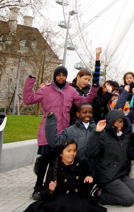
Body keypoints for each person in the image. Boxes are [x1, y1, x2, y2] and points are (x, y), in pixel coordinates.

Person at [23, 66, 96, 200]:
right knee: (45, 160)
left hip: (64, 130)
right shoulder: (46, 89)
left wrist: (94, 89)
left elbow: (83, 101)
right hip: (47, 130)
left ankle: (51, 186)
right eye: (58, 75)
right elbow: (28, 100)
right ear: (55, 76)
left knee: (57, 161)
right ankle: (38, 187)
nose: (61, 77)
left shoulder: (71, 90)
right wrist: (31, 80)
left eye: (63, 75)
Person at [16, 140, 106, 212]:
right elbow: (44, 195)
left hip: (77, 198)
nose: (72, 154)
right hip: (60, 200)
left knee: (81, 206)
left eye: (74, 151)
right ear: (61, 153)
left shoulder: (81, 164)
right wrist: (50, 190)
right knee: (51, 208)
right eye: (69, 151)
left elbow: (87, 180)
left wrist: (89, 177)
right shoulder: (54, 169)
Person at [85, 110, 134, 206]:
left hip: (121, 175)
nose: (119, 124)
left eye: (121, 121)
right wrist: (96, 133)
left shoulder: (125, 137)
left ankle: (114, 192)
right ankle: (99, 194)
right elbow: (90, 153)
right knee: (129, 199)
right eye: (116, 121)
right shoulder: (102, 135)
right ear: (110, 121)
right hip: (107, 177)